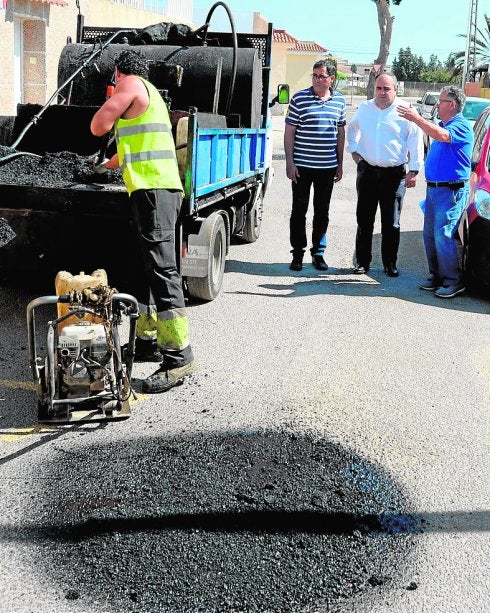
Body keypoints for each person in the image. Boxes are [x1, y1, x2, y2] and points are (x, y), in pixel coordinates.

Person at [90, 49, 196, 392]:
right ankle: (149, 342)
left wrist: (112, 96)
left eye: (114, 80)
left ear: (118, 73)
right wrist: (103, 168)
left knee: (163, 270)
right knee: (149, 267)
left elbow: (98, 126)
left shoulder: (130, 85)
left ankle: (179, 357)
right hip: (155, 190)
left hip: (154, 190)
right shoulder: (147, 95)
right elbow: (128, 150)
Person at [397, 85, 473, 298]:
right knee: (430, 235)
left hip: (450, 191)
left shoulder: (461, 126)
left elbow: (442, 135)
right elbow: (436, 132)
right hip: (435, 191)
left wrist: (416, 119)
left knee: (443, 236)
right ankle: (437, 275)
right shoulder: (443, 124)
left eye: (441, 101)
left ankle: (453, 280)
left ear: (452, 104)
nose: (437, 104)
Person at [346, 72, 423, 277]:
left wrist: (414, 170)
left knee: (391, 222)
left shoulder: (406, 111)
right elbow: (351, 130)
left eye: (386, 88)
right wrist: (355, 152)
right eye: (378, 88)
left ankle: (390, 263)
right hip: (368, 173)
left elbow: (416, 141)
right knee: (364, 220)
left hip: (394, 175)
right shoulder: (364, 109)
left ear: (395, 90)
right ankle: (362, 262)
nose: (381, 92)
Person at [284, 60, 346, 272]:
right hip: (302, 167)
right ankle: (298, 254)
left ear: (331, 79)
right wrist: (290, 162)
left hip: (327, 168)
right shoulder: (299, 99)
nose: (317, 80)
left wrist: (340, 163)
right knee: (299, 211)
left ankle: (318, 254)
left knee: (322, 212)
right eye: (315, 75)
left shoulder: (339, 101)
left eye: (322, 76)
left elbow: (340, 134)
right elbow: (289, 132)